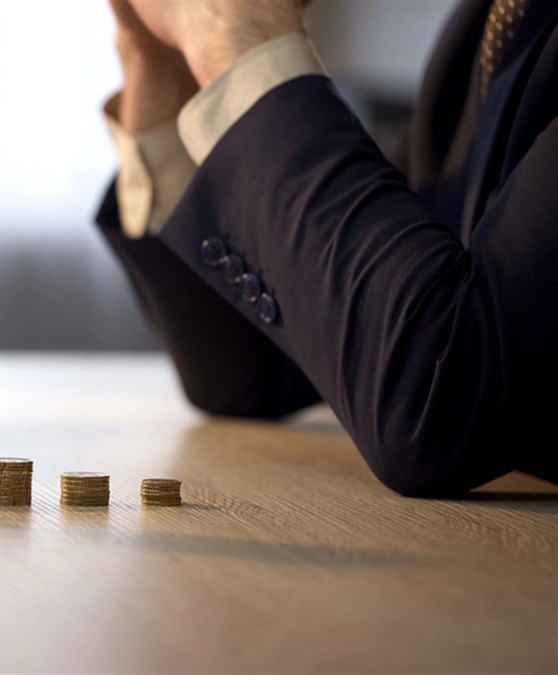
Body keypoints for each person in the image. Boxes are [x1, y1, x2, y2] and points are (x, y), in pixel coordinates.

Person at [95, 0, 557, 496]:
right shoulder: (493, 20)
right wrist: (161, 65)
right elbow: (258, 369)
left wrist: (241, 38)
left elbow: (439, 404)